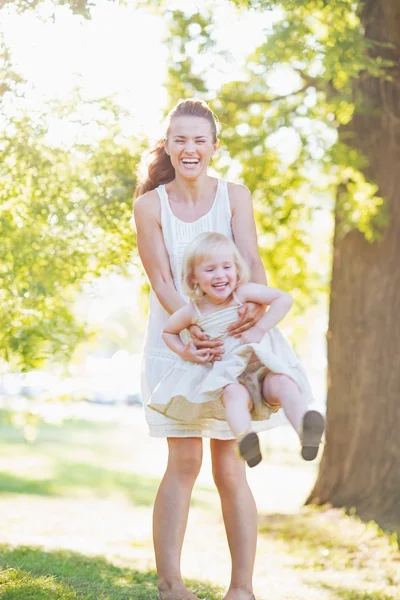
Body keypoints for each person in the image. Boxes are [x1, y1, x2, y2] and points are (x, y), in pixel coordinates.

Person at [133, 97, 309, 600]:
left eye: (199, 139)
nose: (190, 148)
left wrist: (249, 319)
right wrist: (189, 332)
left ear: (213, 146)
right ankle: (171, 586)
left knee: (230, 468)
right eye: (179, 139)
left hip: (231, 340)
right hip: (177, 341)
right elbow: (162, 277)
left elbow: (250, 259)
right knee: (183, 463)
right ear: (167, 146)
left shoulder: (235, 194)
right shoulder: (150, 205)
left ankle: (242, 590)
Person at [148, 232, 324, 468]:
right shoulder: (194, 311)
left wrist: (260, 328)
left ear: (237, 270)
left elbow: (284, 299)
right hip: (232, 378)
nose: (220, 275)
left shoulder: (243, 295)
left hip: (264, 370)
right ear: (194, 279)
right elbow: (168, 332)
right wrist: (185, 351)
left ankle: (306, 429)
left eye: (226, 267)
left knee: (285, 382)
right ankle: (247, 440)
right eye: (210, 270)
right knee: (233, 395)